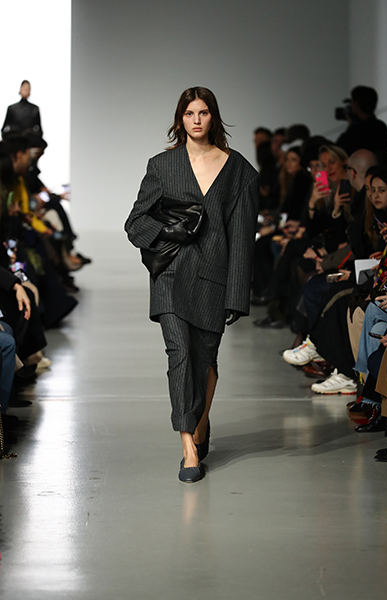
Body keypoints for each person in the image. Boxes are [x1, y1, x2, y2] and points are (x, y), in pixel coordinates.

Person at [125, 87, 258, 483]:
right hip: (170, 274)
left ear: (213, 117)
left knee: (206, 361)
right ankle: (188, 449)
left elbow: (242, 238)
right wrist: (168, 231)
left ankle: (199, 421)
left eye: (203, 112)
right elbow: (135, 222)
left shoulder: (239, 171)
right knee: (180, 354)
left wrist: (237, 293)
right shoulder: (162, 165)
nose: (196, 120)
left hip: (213, 277)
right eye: (189, 113)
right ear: (179, 119)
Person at [336, 86, 387, 158]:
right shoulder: (381, 127)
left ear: (356, 104)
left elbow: (339, 151)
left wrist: (350, 126)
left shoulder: (355, 132)